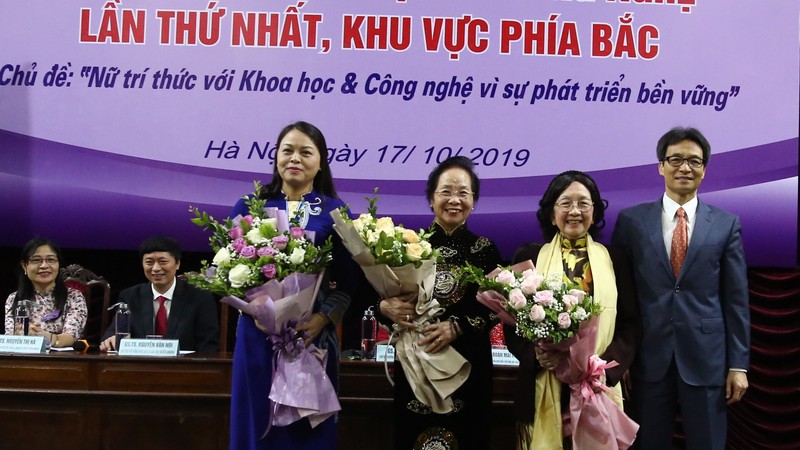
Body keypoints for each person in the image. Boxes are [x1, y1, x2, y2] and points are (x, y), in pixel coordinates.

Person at [612, 127, 749, 450]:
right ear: (661, 166)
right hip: (648, 357)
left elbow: (736, 299)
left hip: (707, 358)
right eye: (676, 159)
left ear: (704, 169)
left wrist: (738, 364)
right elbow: (620, 295)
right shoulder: (631, 221)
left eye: (694, 161)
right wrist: (621, 358)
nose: (684, 168)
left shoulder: (727, 224)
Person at [228, 121, 359, 450]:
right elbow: (226, 272)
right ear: (275, 157)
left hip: (310, 337)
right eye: (287, 150)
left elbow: (350, 282)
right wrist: (257, 312)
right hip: (258, 337)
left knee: (307, 429)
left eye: (305, 152)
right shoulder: (249, 206)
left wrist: (322, 318)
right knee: (256, 422)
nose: (295, 158)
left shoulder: (334, 212)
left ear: (320, 161)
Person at [504, 170, 641, 449]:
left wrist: (605, 367)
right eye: (565, 203)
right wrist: (538, 356)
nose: (575, 211)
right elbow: (512, 324)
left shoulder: (616, 258)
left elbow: (631, 323)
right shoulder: (528, 257)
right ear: (552, 213)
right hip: (543, 381)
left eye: (583, 203)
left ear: (595, 211)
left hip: (598, 384)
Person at [378, 156, 501, 450]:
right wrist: (384, 308)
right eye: (445, 191)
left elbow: (499, 308)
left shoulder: (485, 249)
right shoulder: (407, 246)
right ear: (431, 199)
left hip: (468, 365)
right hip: (416, 363)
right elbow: (380, 299)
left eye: (463, 192)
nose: (454, 200)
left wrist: (457, 327)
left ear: (474, 200)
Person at [99, 235, 219, 353]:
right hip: (140, 367)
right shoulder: (130, 296)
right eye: (149, 262)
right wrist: (112, 339)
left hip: (185, 368)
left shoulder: (200, 297)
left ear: (177, 264)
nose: (156, 268)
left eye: (163, 262)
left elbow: (208, 345)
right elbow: (115, 330)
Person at [4, 238, 87, 348]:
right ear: (24, 266)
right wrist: (24, 334)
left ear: (58, 265)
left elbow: (71, 337)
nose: (44, 266)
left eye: (51, 260)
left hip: (61, 361)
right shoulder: (14, 298)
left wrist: (42, 336)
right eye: (36, 260)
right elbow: (11, 337)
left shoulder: (74, 297)